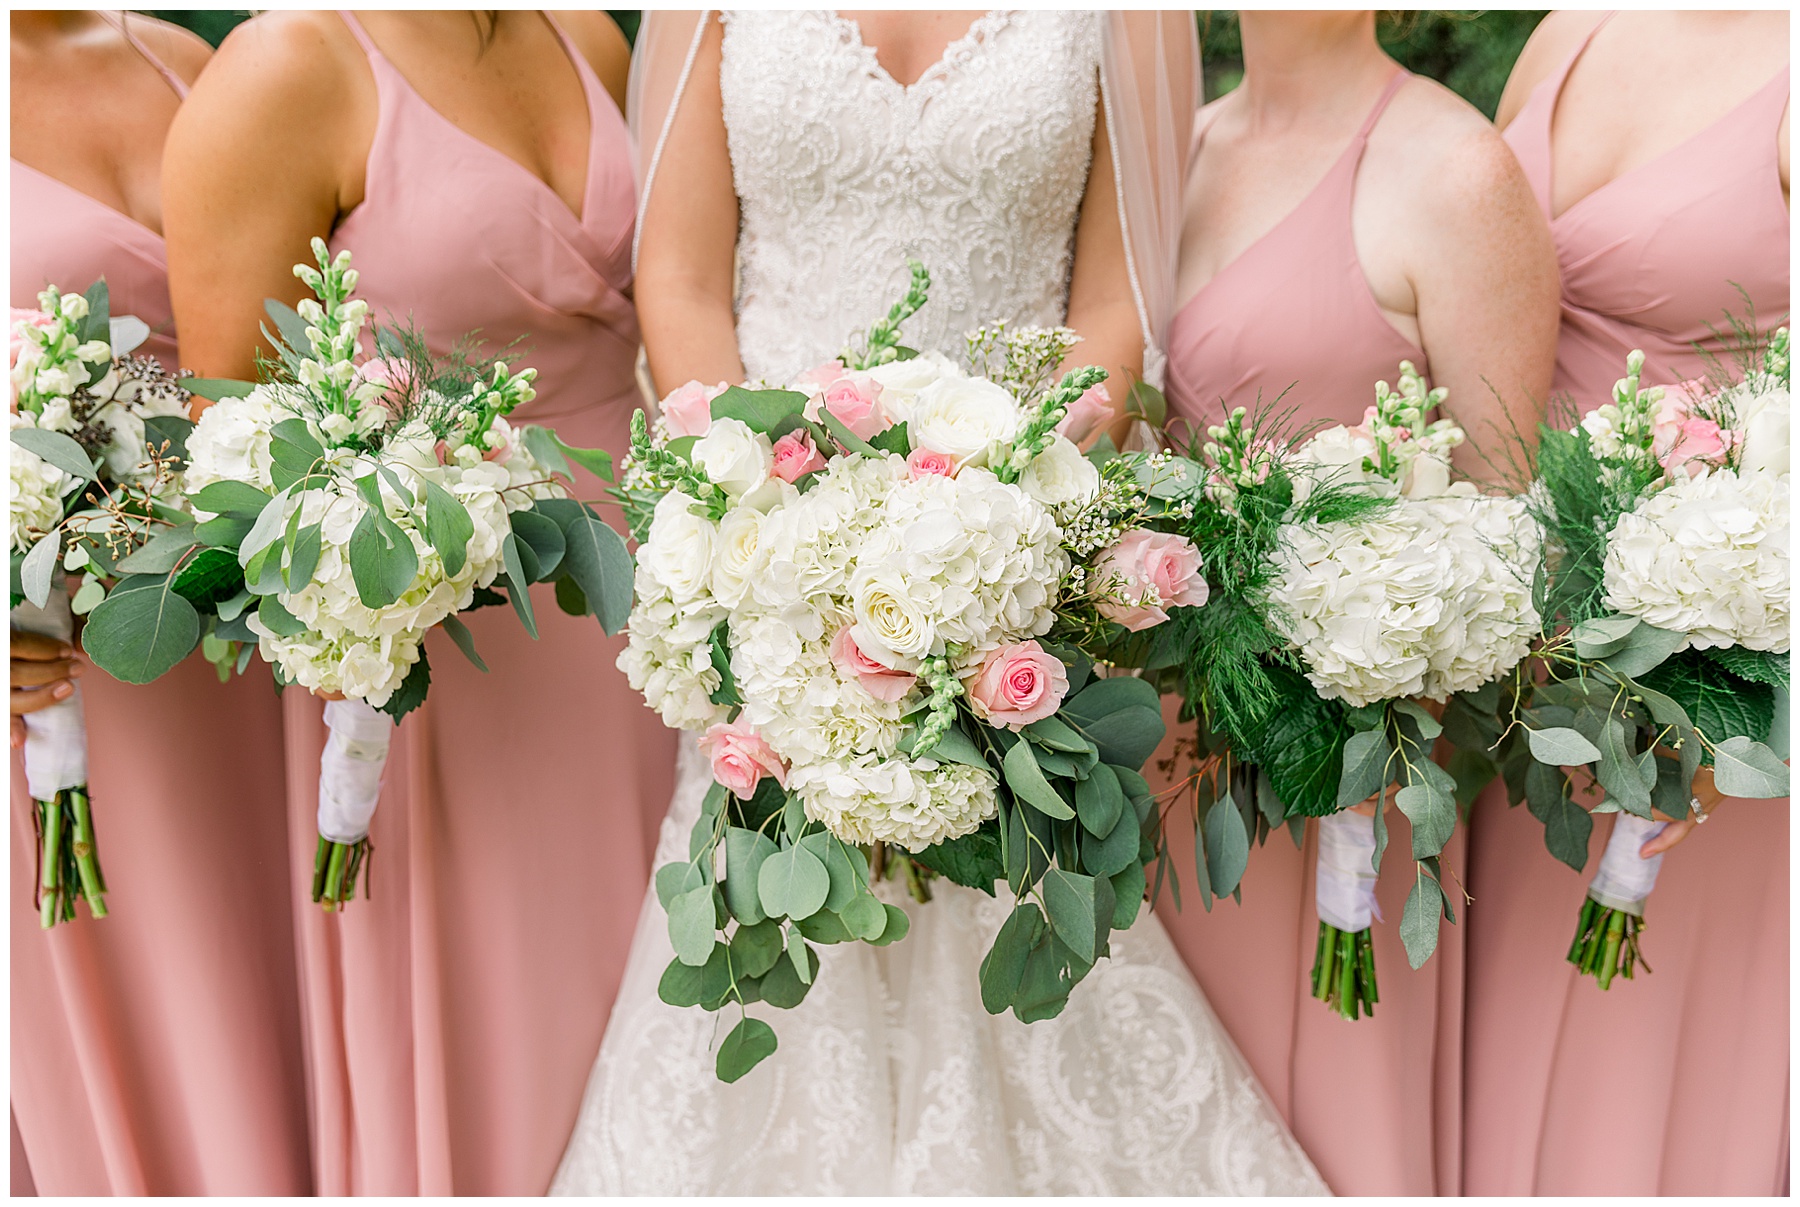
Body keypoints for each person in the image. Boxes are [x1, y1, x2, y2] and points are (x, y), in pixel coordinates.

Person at [550, 12, 1325, 1195]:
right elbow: (683, 276)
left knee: (1004, 878)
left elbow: (1116, 310)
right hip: (769, 560)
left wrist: (1011, 527)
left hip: (1007, 561)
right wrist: (765, 515)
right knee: (771, 894)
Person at [160, 11, 672, 1194]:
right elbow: (225, 436)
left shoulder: (586, 34)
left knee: (660, 1017)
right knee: (509, 1021)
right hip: (456, 644)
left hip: (654, 620)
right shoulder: (289, 68)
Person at [1153, 10, 1558, 1195]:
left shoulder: (1456, 172)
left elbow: (1502, 525)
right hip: (1155, 780)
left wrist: (1366, 656)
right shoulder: (1171, 147)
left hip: (1340, 777)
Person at [1461, 11, 1789, 1195]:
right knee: (1495, 1078)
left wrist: (1720, 670)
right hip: (1521, 684)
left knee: (1635, 1111)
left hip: (1710, 707)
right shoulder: (1572, 26)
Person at [10, 10, 309, 1194]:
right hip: (58, 672)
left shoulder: (178, 61)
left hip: (240, 643)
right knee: (165, 1055)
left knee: (288, 1002)